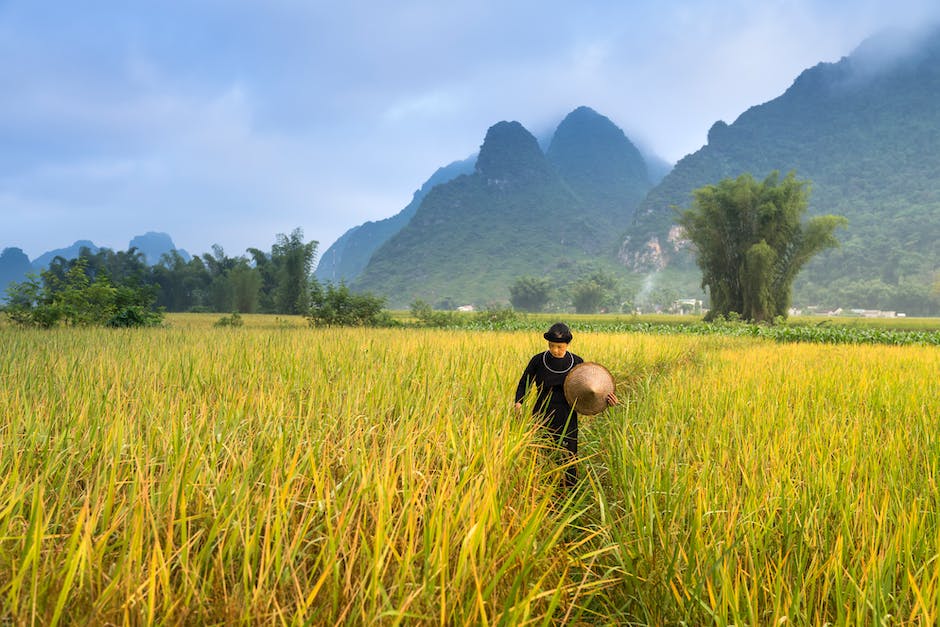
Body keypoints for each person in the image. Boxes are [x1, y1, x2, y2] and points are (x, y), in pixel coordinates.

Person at [514, 322, 617, 488]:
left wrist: (606, 400)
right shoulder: (538, 360)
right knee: (542, 451)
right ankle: (542, 490)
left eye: (559, 347)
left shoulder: (577, 363)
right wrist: (519, 401)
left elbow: (591, 388)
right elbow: (525, 382)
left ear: (567, 344)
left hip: (567, 413)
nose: (555, 350)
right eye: (552, 345)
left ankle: (569, 491)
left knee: (568, 453)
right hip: (542, 411)